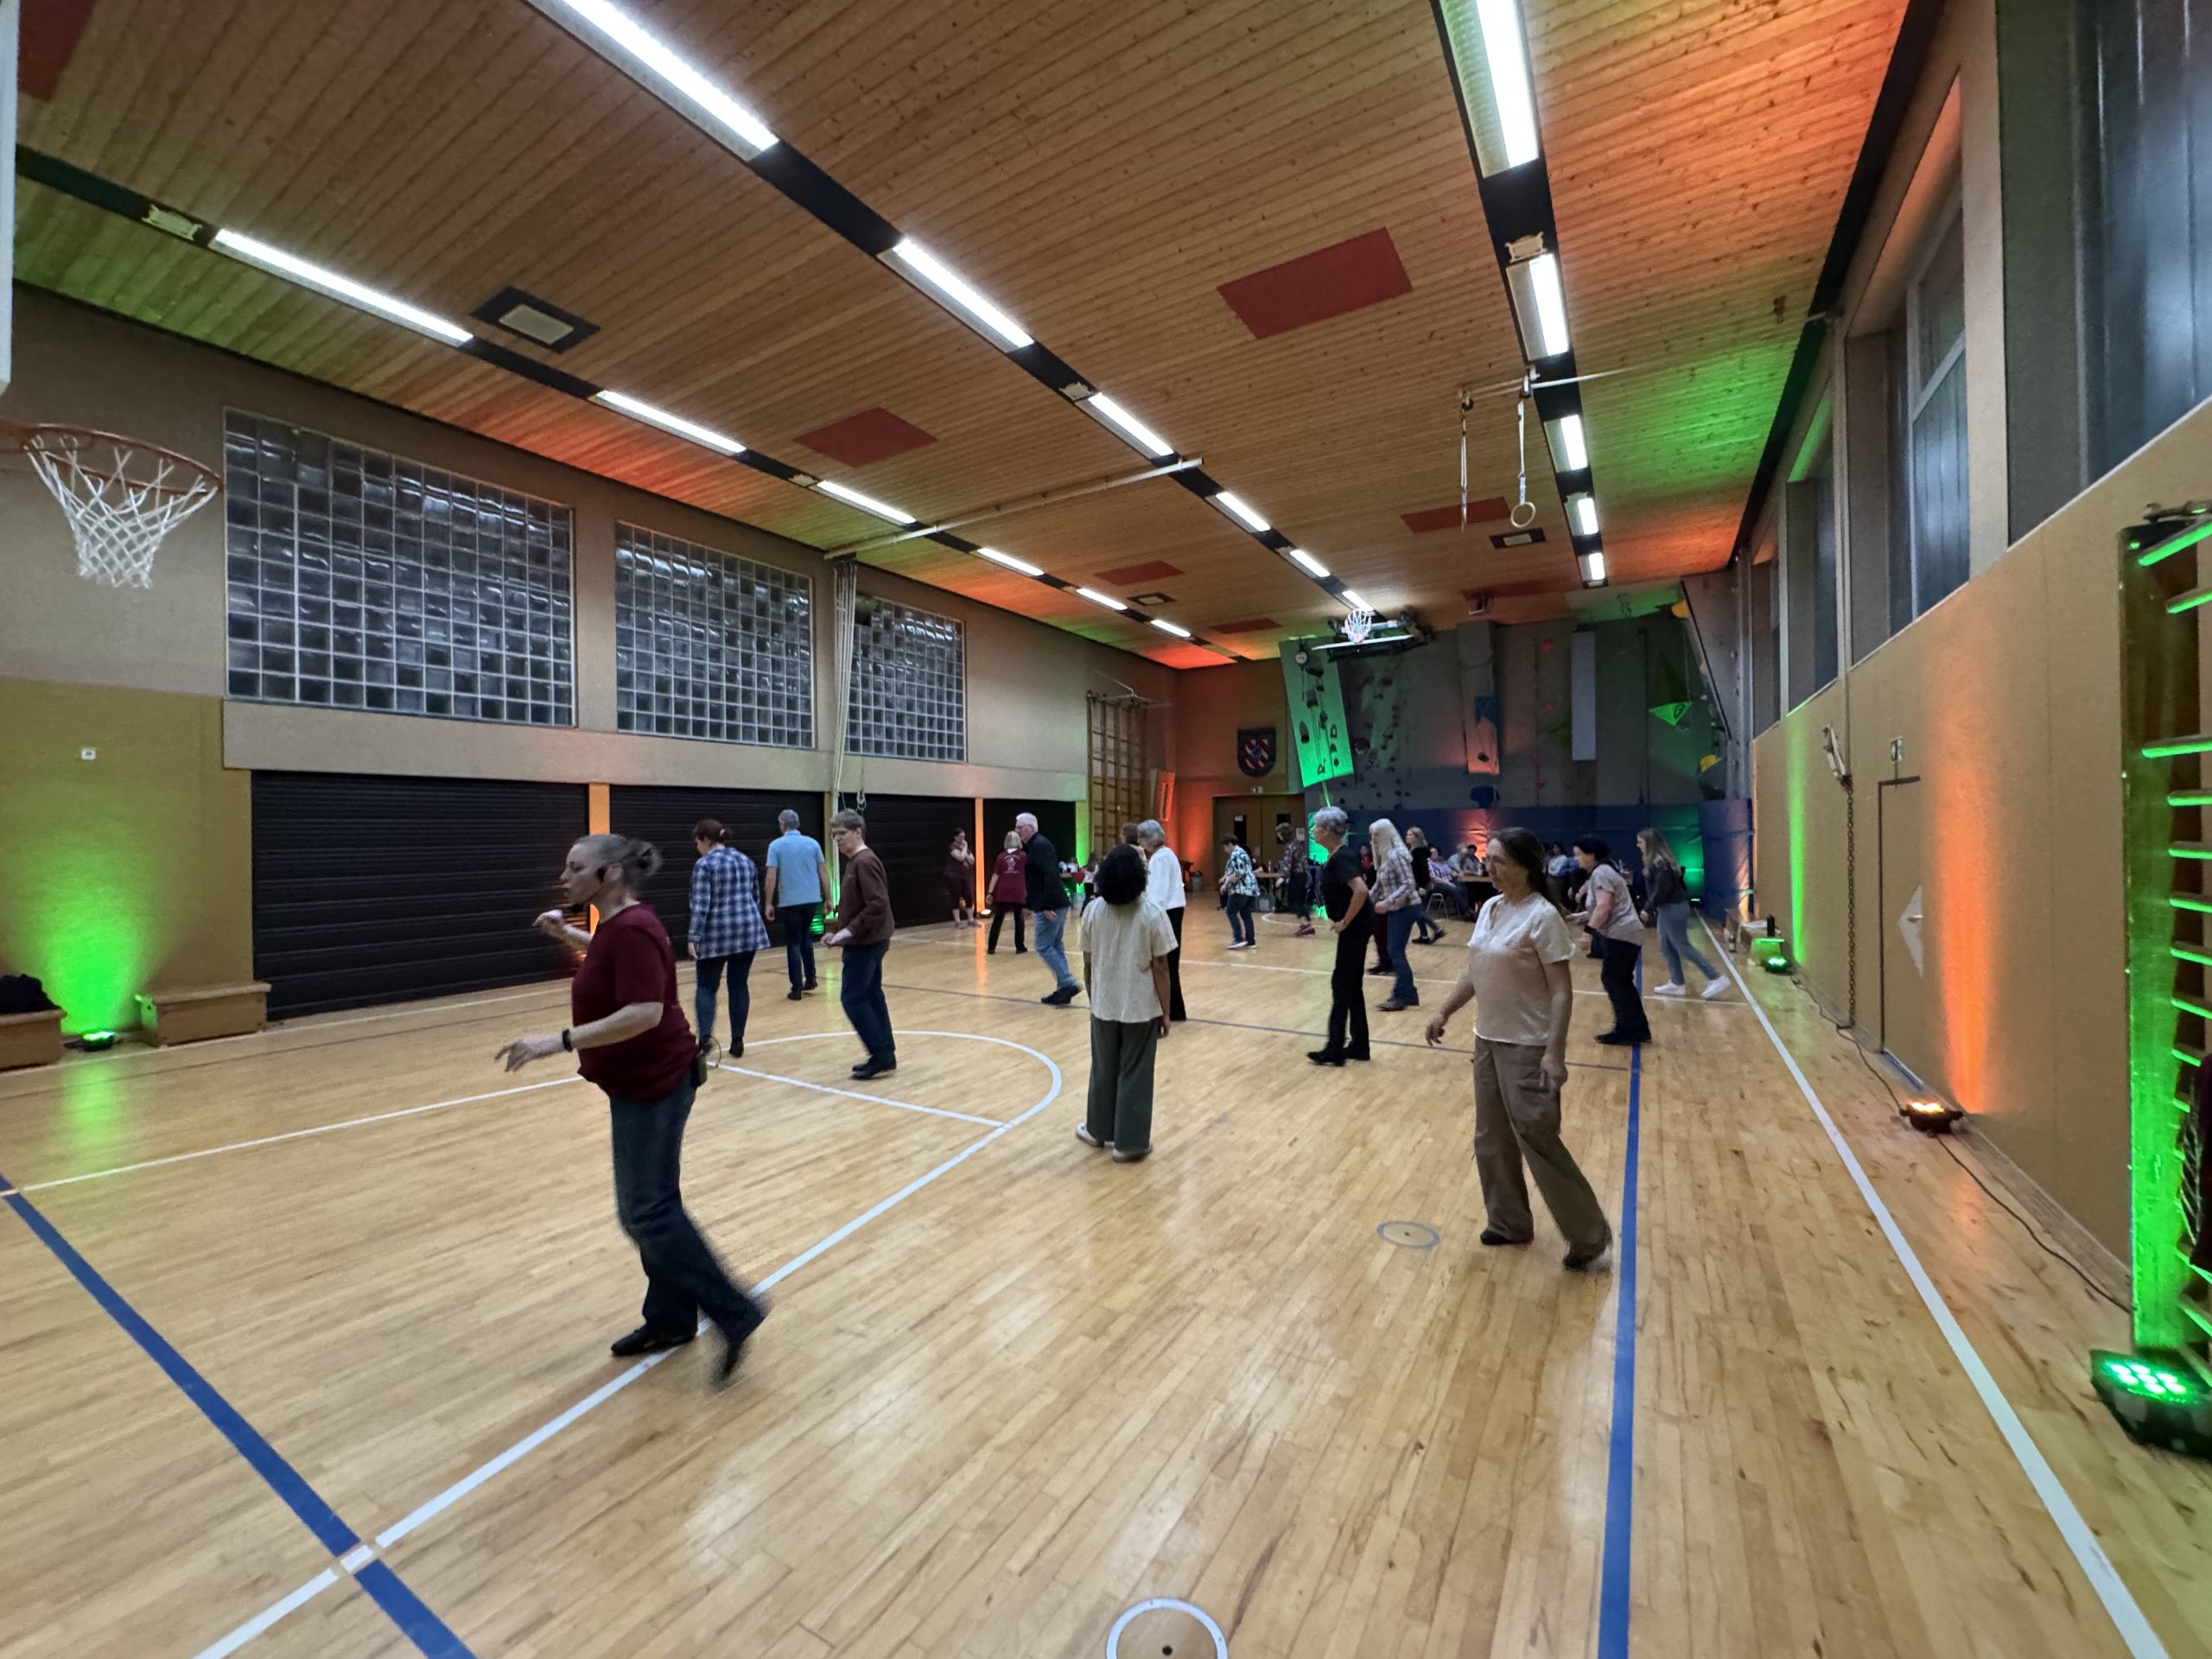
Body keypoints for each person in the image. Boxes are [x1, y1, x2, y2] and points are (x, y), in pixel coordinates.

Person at [496, 835, 763, 1384]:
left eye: (576, 868)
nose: (564, 877)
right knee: (652, 1208)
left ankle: (735, 1313)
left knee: (647, 1212)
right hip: (639, 1084)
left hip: (657, 1085)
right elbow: (612, 960)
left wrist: (560, 1041)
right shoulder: (619, 927)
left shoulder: (636, 928)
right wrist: (568, 933)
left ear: (611, 874)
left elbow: (643, 1010)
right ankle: (670, 1320)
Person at [1424, 826, 1611, 1270]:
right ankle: (1509, 1222)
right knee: (1490, 1138)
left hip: (1527, 1047)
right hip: (1487, 1041)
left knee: (1538, 1138)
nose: (1489, 868)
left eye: (1499, 861)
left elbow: (1563, 992)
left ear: (1527, 868)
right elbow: (1475, 973)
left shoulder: (1542, 917)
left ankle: (1588, 1234)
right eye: (1489, 860)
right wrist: (1444, 1012)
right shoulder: (1489, 908)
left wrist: (1554, 1052)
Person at [1077, 843, 1177, 1162]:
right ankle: (1129, 1143)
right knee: (1135, 1072)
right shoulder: (1151, 914)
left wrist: (1094, 996)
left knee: (1103, 1067)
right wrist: (1166, 1010)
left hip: (1103, 1003)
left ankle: (1097, 1130)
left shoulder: (1092, 910)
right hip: (1140, 1006)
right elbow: (1161, 967)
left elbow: (1088, 961)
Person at [823, 810, 897, 1077]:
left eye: (841, 834)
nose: (837, 840)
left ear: (857, 832)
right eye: (834, 835)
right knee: (871, 995)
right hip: (866, 940)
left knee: (853, 998)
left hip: (867, 943)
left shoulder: (864, 862)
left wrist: (848, 932)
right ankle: (884, 1053)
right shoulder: (858, 861)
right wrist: (838, 930)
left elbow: (877, 904)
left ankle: (879, 1053)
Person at [686, 820, 767, 1060]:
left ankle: (705, 1041)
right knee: (739, 985)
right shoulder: (745, 860)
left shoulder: (704, 865)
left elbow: (700, 905)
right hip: (748, 929)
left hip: (717, 932)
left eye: (697, 842)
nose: (697, 847)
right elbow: (755, 895)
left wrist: (693, 937)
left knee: (706, 987)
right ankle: (738, 1041)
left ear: (705, 840)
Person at [1307, 807, 1372, 1066]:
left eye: (1315, 827)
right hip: (1358, 927)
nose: (1313, 831)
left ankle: (1334, 1048)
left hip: (1355, 929)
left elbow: (1361, 890)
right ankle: (1359, 1045)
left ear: (1325, 831)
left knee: (1341, 985)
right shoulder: (1337, 855)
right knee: (1352, 986)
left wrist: (1345, 920)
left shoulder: (1341, 857)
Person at [1571, 836, 1650, 1046]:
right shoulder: (1603, 872)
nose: (1576, 858)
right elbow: (1604, 907)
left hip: (1621, 934)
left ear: (1591, 855)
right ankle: (1636, 1027)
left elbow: (1605, 906)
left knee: (1614, 980)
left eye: (1578, 854)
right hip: (1623, 933)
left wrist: (1588, 932)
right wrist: (1581, 917)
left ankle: (1629, 1029)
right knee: (1620, 981)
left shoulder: (1601, 874)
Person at [1637, 828, 1730, 1000]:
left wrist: (1648, 907)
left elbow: (1662, 889)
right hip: (1666, 908)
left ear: (1650, 844)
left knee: (1682, 946)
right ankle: (1676, 982)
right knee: (1666, 946)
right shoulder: (1657, 863)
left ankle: (1716, 977)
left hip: (1673, 908)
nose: (1638, 845)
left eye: (1640, 842)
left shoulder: (1660, 863)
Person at [764, 810, 828, 1002]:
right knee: (805, 937)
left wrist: (768, 902)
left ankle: (796, 988)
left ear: (782, 825)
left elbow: (771, 877)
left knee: (793, 942)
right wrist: (829, 898)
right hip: (811, 899)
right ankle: (811, 978)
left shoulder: (776, 846)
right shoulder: (813, 843)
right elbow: (823, 872)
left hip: (790, 901)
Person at [1018, 812, 1081, 1006]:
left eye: (1019, 827)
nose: (1017, 831)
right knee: (1054, 944)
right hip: (1053, 902)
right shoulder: (1037, 846)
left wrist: (1045, 904)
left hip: (1051, 904)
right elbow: (1037, 878)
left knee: (1043, 945)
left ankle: (1068, 983)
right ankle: (1064, 987)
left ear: (1030, 828)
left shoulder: (1040, 846)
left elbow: (1050, 875)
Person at [1136, 819, 1188, 1020]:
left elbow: (1157, 895)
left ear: (1150, 839)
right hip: (1173, 911)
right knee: (1170, 964)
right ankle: (1175, 1010)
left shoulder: (1159, 859)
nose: (1141, 843)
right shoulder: (1168, 855)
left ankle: (1171, 1010)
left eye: (1142, 839)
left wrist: (1149, 919)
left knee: (1164, 963)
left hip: (1165, 914)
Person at [1369, 818, 1421, 1012]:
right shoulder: (1385, 856)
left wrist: (1388, 901)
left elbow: (1408, 883)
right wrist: (1366, 901)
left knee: (1395, 950)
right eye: (1371, 836)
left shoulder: (1397, 855)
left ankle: (1401, 995)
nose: (1373, 840)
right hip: (1396, 908)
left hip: (1406, 907)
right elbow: (1380, 885)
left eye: (1376, 835)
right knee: (1394, 950)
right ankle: (1408, 993)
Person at [987, 830, 1028, 954]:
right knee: (1019, 920)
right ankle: (1019, 947)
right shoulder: (1023, 856)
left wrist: (990, 892)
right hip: (1018, 891)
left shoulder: (1000, 857)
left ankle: (991, 947)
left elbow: (995, 875)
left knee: (998, 920)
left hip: (1002, 892)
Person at [1405, 827, 1446, 944]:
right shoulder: (1415, 850)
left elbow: (1423, 870)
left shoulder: (1419, 851)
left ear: (1417, 837)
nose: (1407, 836)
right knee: (1417, 911)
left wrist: (1421, 886)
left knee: (1417, 911)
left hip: (1421, 885)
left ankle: (1436, 930)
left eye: (1410, 835)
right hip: (1417, 884)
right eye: (1407, 834)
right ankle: (1424, 936)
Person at [1218, 835, 1258, 948]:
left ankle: (1238, 938)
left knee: (1230, 911)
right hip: (1250, 889)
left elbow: (1238, 873)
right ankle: (1251, 941)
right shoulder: (1243, 853)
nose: (1225, 850)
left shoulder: (1235, 854)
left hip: (1241, 889)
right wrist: (1225, 877)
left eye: (1225, 847)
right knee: (1246, 914)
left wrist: (1225, 884)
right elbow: (1233, 870)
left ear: (1230, 845)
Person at [1276, 823, 1316, 937]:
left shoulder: (1290, 846)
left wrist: (1283, 877)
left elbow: (1288, 863)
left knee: (1293, 901)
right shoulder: (1297, 843)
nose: (1278, 836)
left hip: (1297, 876)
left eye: (1279, 833)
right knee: (1300, 901)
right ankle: (1307, 924)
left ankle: (1305, 924)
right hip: (1303, 875)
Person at [944, 828, 977, 930]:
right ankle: (958, 922)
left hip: (964, 875)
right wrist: (965, 847)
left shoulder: (964, 848)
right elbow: (960, 858)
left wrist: (965, 851)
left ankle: (970, 920)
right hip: (954, 875)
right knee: (955, 897)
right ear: (955, 837)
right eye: (961, 836)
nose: (963, 838)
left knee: (968, 897)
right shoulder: (952, 847)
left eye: (964, 836)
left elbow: (972, 860)